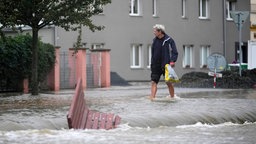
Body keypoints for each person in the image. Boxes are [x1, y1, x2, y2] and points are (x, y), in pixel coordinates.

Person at [150, 24, 178, 100]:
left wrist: (172, 61)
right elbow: (153, 53)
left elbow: (174, 52)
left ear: (160, 32)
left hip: (166, 65)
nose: (154, 32)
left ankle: (172, 97)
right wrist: (152, 63)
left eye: (155, 31)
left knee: (168, 82)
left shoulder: (169, 40)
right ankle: (152, 98)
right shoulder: (154, 40)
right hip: (156, 65)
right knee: (153, 82)